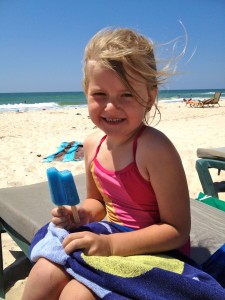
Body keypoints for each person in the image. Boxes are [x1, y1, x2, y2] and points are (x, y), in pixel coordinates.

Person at [22, 28, 190, 300]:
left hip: (155, 248)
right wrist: (80, 214)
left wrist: (111, 244)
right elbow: (97, 202)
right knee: (43, 273)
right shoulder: (92, 144)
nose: (111, 107)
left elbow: (177, 231)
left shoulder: (155, 149)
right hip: (108, 234)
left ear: (150, 96)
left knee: (77, 295)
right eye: (100, 94)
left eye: (127, 95)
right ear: (86, 91)